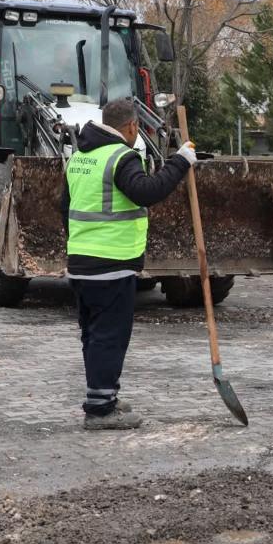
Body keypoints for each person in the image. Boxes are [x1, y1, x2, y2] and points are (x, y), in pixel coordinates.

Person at [61, 97, 198, 430]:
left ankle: (103, 395)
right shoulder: (121, 156)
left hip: (81, 262)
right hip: (111, 263)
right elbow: (147, 191)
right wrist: (180, 162)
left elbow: (64, 206)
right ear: (133, 126)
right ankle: (100, 410)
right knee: (110, 336)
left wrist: (83, 244)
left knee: (94, 334)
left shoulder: (79, 157)